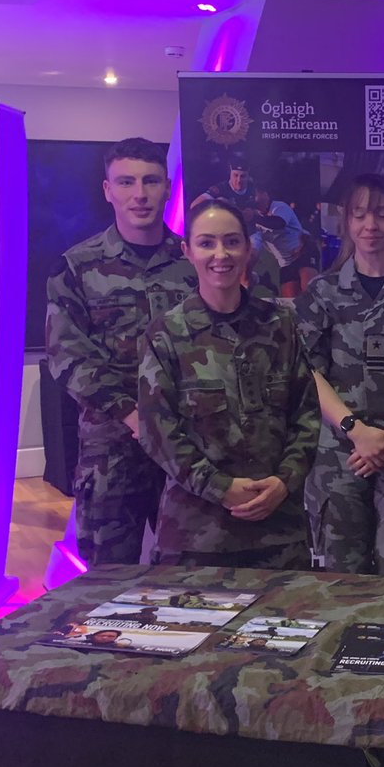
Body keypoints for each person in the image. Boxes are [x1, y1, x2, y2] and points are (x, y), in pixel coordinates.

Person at [139, 198, 319, 569]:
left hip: (280, 533)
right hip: (197, 538)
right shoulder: (167, 334)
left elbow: (307, 416)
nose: (220, 254)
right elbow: (159, 433)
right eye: (207, 243)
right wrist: (221, 488)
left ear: (248, 247)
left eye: (232, 241)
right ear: (187, 251)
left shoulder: (279, 325)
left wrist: (285, 481)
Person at [46, 137, 196, 565]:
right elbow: (68, 355)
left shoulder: (194, 262)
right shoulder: (77, 267)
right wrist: (132, 412)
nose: (140, 194)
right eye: (126, 182)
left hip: (186, 448)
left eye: (150, 181)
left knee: (190, 582)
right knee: (109, 585)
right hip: (112, 452)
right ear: (107, 189)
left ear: (167, 187)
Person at [295, 173, 384, 577]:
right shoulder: (323, 291)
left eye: (382, 215)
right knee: (341, 574)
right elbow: (308, 370)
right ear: (346, 222)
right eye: (360, 215)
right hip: (341, 453)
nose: (371, 226)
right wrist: (357, 430)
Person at [249, 185, 315, 298]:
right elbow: (255, 242)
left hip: (303, 250)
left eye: (257, 193)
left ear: (265, 194)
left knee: (309, 293)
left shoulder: (279, 207)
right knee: (290, 302)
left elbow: (278, 223)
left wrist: (254, 218)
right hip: (286, 262)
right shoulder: (254, 222)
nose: (255, 198)